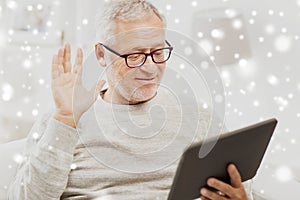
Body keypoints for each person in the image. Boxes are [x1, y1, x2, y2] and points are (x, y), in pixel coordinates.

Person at [9, 0, 252, 199]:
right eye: (134, 56)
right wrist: (64, 119)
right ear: (102, 55)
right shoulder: (62, 121)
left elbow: (240, 186)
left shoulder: (200, 118)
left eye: (157, 53)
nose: (150, 68)